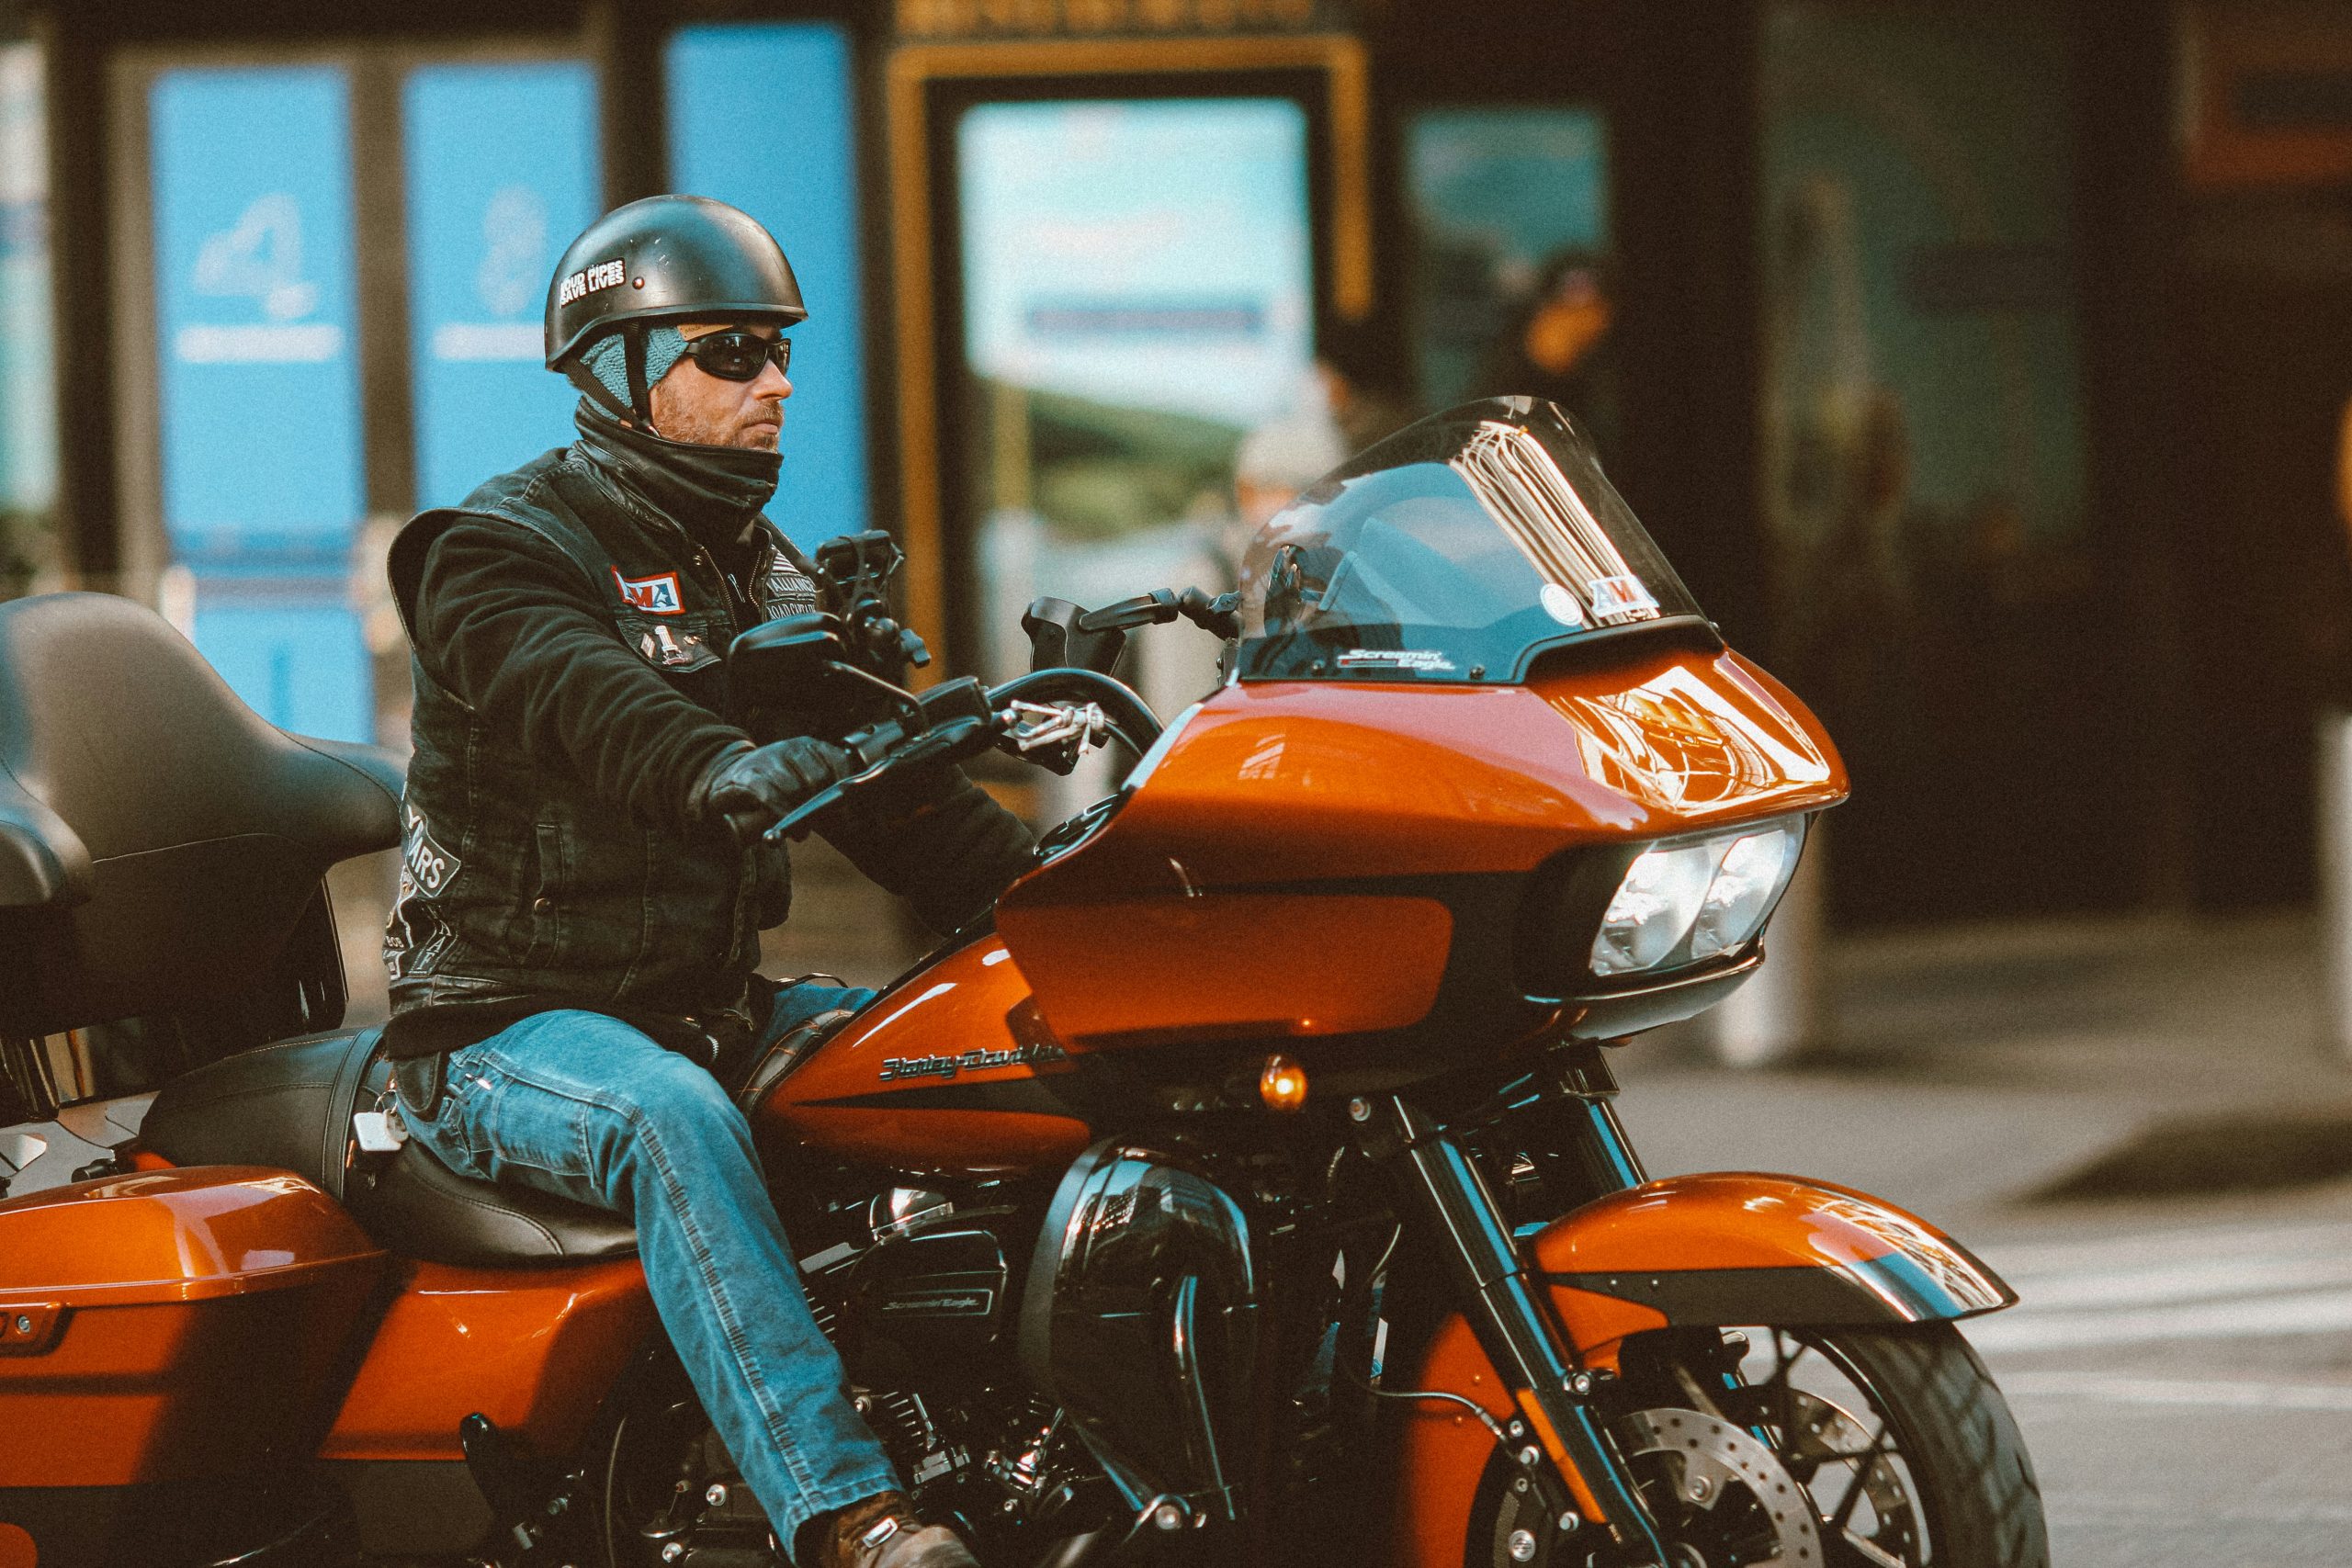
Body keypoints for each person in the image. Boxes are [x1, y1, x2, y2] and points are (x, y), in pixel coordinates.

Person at [379, 195, 1033, 1568]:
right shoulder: (496, 550)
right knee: (671, 1120)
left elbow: (902, 798)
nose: (778, 380)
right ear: (620, 369)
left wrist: (1083, 903)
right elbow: (589, 695)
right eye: (732, 352)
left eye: (780, 351)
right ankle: (850, 1515)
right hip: (504, 1030)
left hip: (708, 1002)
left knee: (985, 1052)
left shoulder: (761, 571)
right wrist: (715, 766)